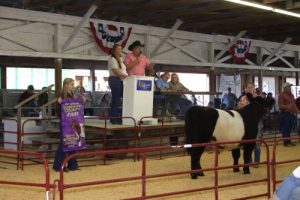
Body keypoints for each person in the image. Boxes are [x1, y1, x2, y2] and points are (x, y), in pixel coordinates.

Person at [53, 78, 85, 172]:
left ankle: (73, 165)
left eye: (73, 84)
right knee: (65, 143)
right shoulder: (62, 96)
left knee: (73, 142)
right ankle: (58, 166)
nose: (73, 86)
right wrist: (59, 103)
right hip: (65, 123)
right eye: (71, 84)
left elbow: (80, 103)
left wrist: (82, 99)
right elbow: (59, 109)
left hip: (73, 122)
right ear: (66, 85)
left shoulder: (73, 95)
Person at [238, 82, 262, 166]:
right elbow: (240, 109)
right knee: (247, 142)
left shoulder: (258, 98)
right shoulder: (242, 98)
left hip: (256, 122)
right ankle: (248, 161)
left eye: (252, 87)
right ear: (246, 88)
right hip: (245, 123)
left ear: (254, 88)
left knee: (256, 142)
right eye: (248, 87)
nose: (250, 88)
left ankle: (256, 162)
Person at [108, 43, 128, 124]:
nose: (120, 50)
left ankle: (119, 117)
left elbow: (123, 70)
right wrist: (126, 76)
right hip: (115, 79)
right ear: (114, 50)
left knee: (121, 99)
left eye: (120, 49)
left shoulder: (120, 59)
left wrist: (126, 76)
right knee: (116, 99)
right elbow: (115, 71)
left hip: (121, 80)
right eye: (118, 49)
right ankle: (113, 118)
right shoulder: (112, 59)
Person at [278, 82, 299, 147]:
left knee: (289, 129)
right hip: (285, 114)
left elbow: (294, 104)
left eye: (290, 86)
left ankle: (289, 141)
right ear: (284, 88)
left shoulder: (292, 95)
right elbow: (280, 106)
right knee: (285, 129)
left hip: (291, 114)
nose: (290, 88)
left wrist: (297, 111)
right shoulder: (281, 95)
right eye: (288, 86)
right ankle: (286, 143)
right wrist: (288, 106)